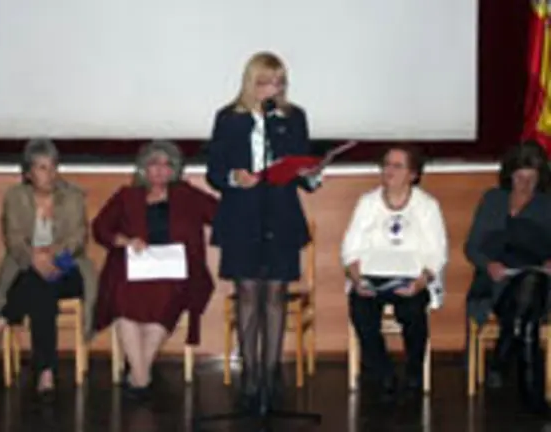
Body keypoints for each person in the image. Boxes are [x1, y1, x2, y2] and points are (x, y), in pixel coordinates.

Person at [205, 51, 323, 409]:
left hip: (281, 214)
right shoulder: (228, 119)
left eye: (279, 82)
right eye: (266, 82)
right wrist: (234, 178)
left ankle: (272, 373)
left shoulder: (292, 117)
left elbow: (303, 167)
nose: (273, 89)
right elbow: (214, 172)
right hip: (242, 215)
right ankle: (251, 373)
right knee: (248, 295)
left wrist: (311, 174)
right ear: (250, 82)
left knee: (275, 295)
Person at [93, 140, 217, 400]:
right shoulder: (127, 196)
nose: (161, 170)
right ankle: (142, 376)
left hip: (176, 272)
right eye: (154, 163)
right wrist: (126, 241)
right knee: (122, 299)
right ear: (143, 169)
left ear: (176, 170)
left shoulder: (187, 194)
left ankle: (137, 375)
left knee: (165, 299)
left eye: (167, 164)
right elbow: (100, 228)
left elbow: (221, 214)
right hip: (134, 269)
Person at [0, 139, 96, 400]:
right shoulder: (15, 197)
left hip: (68, 266)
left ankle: (0, 323)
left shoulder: (73, 196)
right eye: (42, 167)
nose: (49, 173)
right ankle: (46, 372)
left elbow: (78, 239)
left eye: (53, 166)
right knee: (41, 291)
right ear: (28, 172)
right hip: (26, 266)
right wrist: (34, 258)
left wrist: (50, 255)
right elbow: (13, 238)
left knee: (39, 284)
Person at [341, 144, 447, 396]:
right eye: (386, 164)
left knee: (412, 310)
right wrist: (357, 280)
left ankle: (413, 371)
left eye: (397, 166)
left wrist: (421, 282)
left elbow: (437, 252)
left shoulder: (427, 205)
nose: (389, 170)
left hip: (411, 278)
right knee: (361, 309)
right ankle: (382, 372)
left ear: (413, 174)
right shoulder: (367, 203)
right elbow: (349, 249)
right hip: (371, 277)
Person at [465, 141, 551, 413]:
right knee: (525, 316)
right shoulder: (493, 199)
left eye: (532, 179)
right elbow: (471, 247)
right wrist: (488, 264)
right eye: (520, 177)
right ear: (509, 174)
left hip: (541, 283)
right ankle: (529, 394)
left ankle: (504, 360)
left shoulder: (547, 205)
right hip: (497, 282)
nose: (525, 184)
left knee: (531, 285)